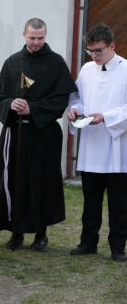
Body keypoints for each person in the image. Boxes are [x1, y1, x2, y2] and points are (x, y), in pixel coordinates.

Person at [0, 18, 77, 251]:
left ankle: (41, 234)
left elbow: (61, 100)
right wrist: (11, 103)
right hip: (15, 131)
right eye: (32, 38)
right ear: (24, 34)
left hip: (44, 133)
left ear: (45, 36)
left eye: (40, 38)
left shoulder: (56, 63)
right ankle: (15, 232)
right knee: (14, 180)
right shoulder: (12, 63)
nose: (36, 42)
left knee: (42, 181)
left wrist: (34, 109)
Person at [68, 24, 127, 262]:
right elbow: (78, 97)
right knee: (90, 199)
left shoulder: (126, 69)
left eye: (98, 50)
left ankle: (118, 247)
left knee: (119, 202)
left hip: (117, 146)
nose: (94, 55)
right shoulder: (86, 69)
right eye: (90, 51)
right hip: (92, 144)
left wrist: (107, 117)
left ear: (111, 46)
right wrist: (74, 110)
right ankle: (88, 242)